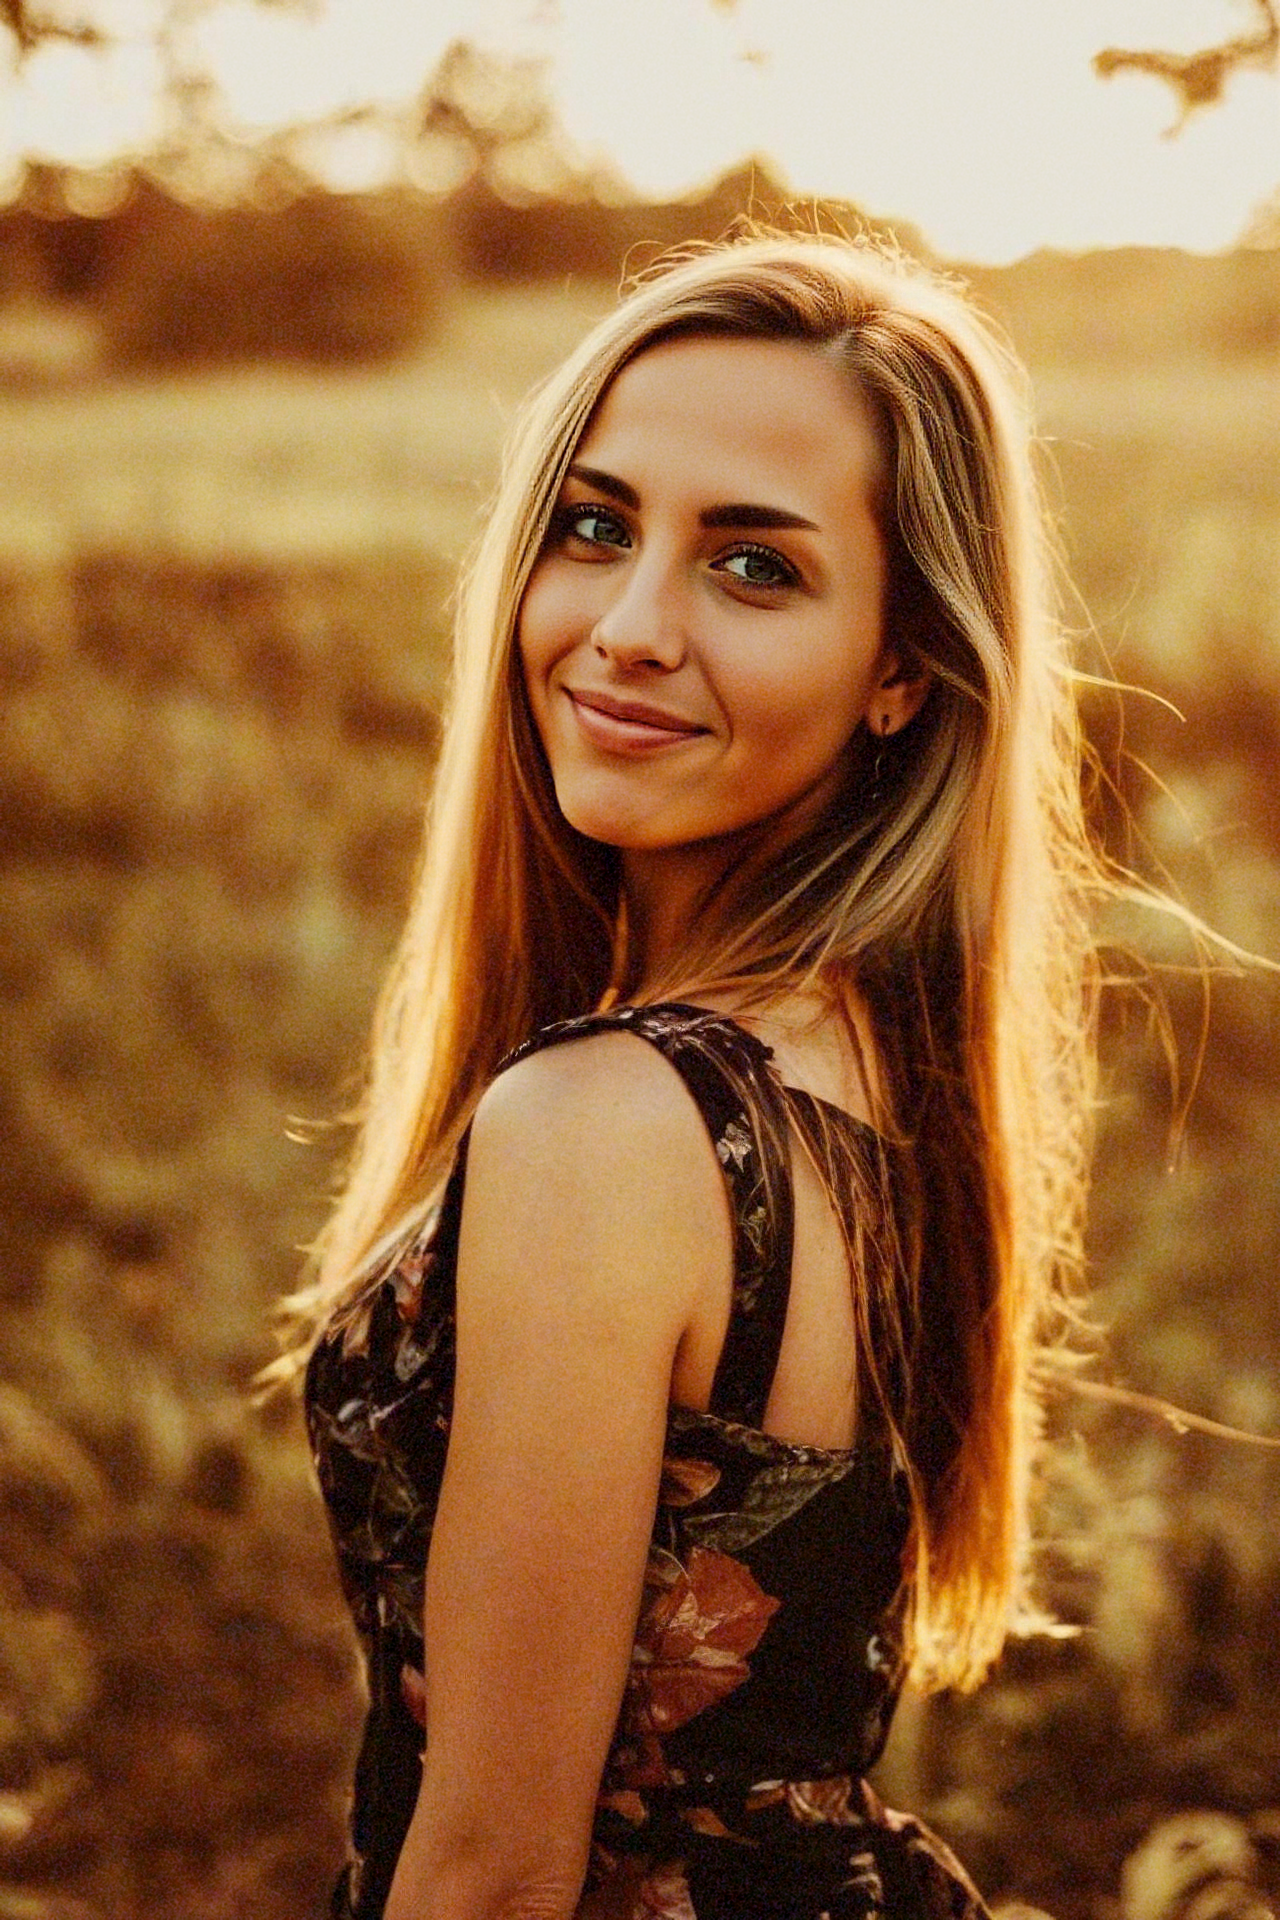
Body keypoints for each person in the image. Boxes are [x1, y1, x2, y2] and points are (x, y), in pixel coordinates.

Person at [285, 232, 1101, 1920]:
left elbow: (502, 1870)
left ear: (905, 670)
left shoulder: (611, 1125)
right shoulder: (870, 1064)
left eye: (755, 570)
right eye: (595, 530)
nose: (628, 630)